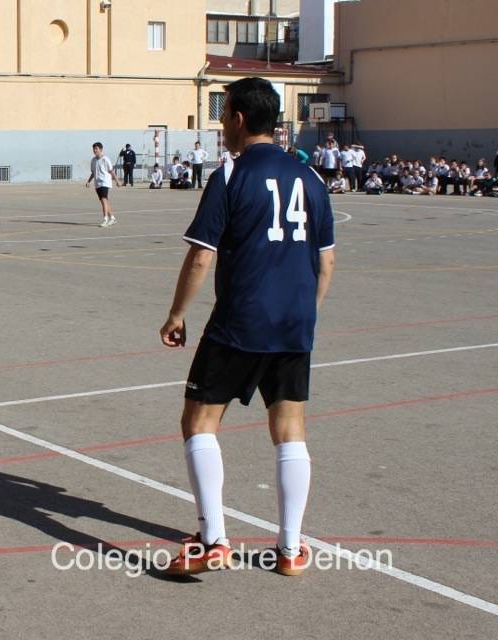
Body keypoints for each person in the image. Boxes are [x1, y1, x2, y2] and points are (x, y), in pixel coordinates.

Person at [158, 77, 335, 577]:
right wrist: (306, 312)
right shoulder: (312, 177)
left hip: (241, 322)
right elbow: (327, 262)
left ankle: (214, 539)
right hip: (294, 324)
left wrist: (176, 314)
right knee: (290, 429)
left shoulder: (232, 174)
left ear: (238, 119)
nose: (221, 125)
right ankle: (290, 549)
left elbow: (201, 257)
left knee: (199, 422)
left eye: (223, 115)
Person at [84, 142, 119, 227]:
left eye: (96, 149)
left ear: (101, 149)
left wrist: (117, 181)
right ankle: (113, 218)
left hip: (105, 182)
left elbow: (111, 171)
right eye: (94, 149)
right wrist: (88, 181)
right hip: (97, 183)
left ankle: (105, 219)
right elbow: (93, 172)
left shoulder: (105, 159)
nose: (95, 150)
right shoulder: (93, 160)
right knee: (104, 201)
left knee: (104, 200)